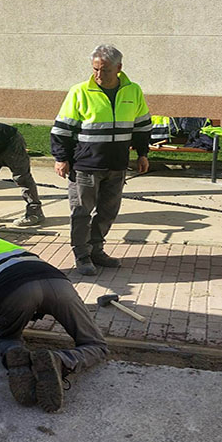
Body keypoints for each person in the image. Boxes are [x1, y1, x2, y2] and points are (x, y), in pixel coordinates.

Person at [0, 218, 108, 413]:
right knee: (96, 345)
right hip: (58, 283)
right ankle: (61, 360)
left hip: (14, 291)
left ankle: (16, 356)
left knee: (8, 338)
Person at [50, 44, 152, 275]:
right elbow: (61, 129)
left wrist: (142, 154)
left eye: (104, 70)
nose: (98, 75)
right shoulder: (79, 91)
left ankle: (97, 250)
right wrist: (61, 158)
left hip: (117, 165)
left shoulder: (133, 91)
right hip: (86, 165)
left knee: (107, 212)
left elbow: (142, 126)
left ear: (119, 68)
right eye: (95, 69)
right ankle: (82, 255)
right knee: (81, 212)